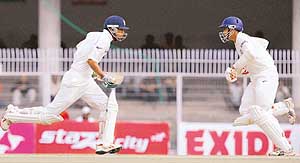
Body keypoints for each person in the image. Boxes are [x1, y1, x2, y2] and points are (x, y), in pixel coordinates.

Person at [1, 15, 129, 155]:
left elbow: (80, 51)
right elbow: (91, 60)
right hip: (75, 81)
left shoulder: (93, 35)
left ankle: (104, 143)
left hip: (84, 80)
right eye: (120, 30)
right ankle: (13, 116)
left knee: (109, 107)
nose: (122, 33)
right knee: (49, 116)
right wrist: (104, 76)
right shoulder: (105, 40)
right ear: (111, 29)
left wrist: (94, 74)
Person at [219, 16, 296, 156]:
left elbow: (250, 54)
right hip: (257, 78)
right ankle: (285, 106)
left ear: (233, 29)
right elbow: (250, 64)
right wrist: (235, 74)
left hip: (266, 77)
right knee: (245, 111)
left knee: (260, 112)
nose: (224, 32)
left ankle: (286, 148)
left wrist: (234, 68)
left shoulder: (242, 39)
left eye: (225, 29)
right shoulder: (239, 43)